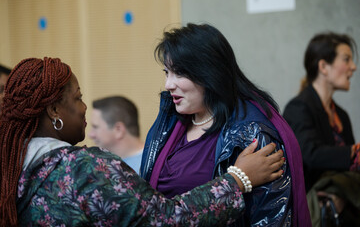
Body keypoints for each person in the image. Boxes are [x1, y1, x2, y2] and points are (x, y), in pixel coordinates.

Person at [0, 57, 285, 226]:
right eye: (78, 97)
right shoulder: (84, 170)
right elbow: (165, 219)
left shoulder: (11, 167)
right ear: (53, 111)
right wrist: (237, 180)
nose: (84, 107)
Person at [140, 23, 311, 226]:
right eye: (167, 72)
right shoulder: (168, 122)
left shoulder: (251, 132)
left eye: (179, 73)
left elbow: (271, 217)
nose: (169, 84)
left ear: (209, 72)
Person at [283, 32, 360, 226]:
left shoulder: (340, 115)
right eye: (346, 59)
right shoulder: (299, 107)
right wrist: (354, 153)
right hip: (314, 213)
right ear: (324, 66)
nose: (353, 67)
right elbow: (310, 154)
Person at [89, 96, 144, 173]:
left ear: (118, 130)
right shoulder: (105, 165)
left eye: (95, 127)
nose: (90, 135)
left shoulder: (150, 167)